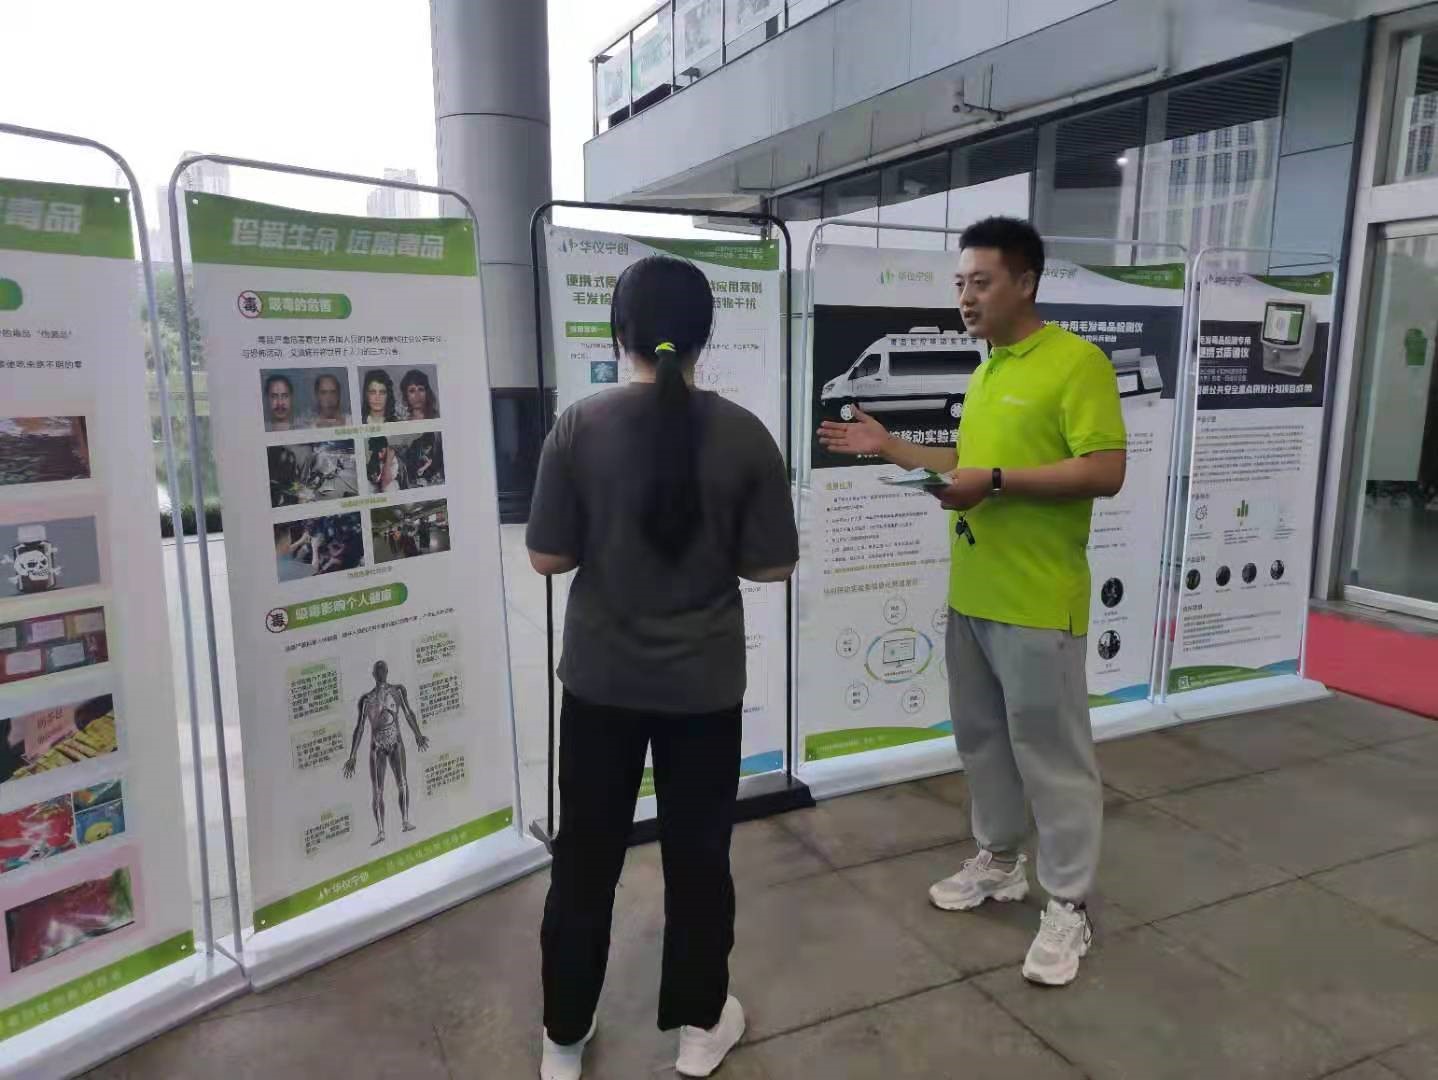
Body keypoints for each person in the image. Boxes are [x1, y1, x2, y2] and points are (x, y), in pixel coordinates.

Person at [819, 217, 1127, 988]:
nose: (965, 296)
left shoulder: (1076, 363)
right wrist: (891, 447)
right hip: (973, 593)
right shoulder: (986, 370)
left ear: (1025, 282)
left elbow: (1105, 469)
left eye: (980, 282)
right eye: (960, 283)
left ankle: (1069, 902)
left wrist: (991, 483)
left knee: (1053, 756)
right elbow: (966, 462)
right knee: (984, 740)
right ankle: (999, 859)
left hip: (1039, 599)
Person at [527, 254, 797, 1080]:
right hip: (703, 689)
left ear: (622, 333)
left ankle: (564, 1037)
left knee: (585, 859)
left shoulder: (579, 426)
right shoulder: (746, 434)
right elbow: (773, 567)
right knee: (698, 858)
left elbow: (546, 557)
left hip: (601, 685)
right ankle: (700, 1027)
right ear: (706, 334)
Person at [343, 660, 429, 845]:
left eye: (383, 669)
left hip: (395, 740)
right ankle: (381, 831)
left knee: (402, 782)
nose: (381, 672)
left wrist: (418, 734)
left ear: (387, 672)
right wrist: (353, 755)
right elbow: (360, 727)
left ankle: (405, 821)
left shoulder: (397, 691)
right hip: (377, 745)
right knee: (378, 790)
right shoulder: (367, 699)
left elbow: (408, 713)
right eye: (378, 670)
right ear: (374, 674)